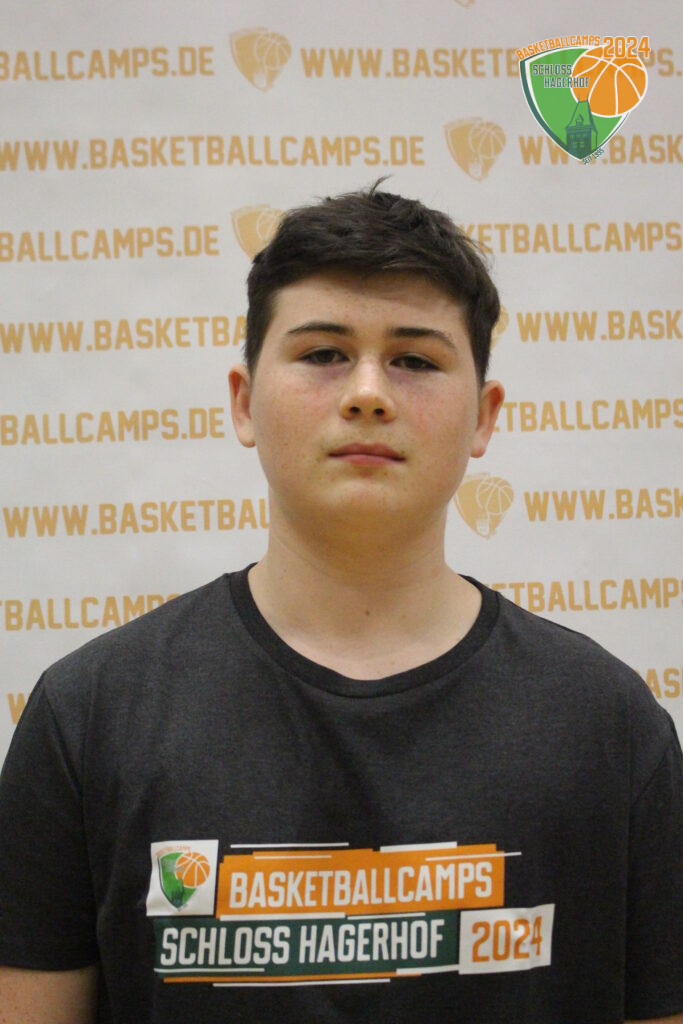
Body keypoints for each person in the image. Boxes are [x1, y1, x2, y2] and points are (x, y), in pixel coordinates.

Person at [0, 180, 680, 1024]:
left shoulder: (607, 723)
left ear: (483, 416)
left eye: (414, 360)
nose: (367, 392)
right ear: (244, 402)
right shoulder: (89, 715)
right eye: (323, 353)